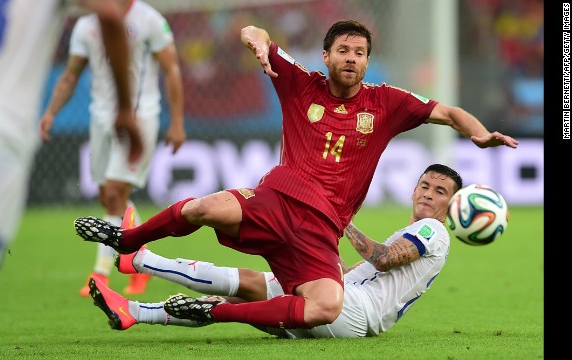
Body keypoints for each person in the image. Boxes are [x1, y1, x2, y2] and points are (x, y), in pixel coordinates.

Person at [73, 20, 518, 331]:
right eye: (343, 50)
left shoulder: (388, 103)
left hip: (322, 228)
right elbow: (254, 30)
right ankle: (127, 242)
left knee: (323, 305)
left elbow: (449, 111)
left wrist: (478, 134)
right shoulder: (299, 81)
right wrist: (257, 44)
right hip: (279, 197)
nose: (351, 59)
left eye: (360, 53)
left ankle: (178, 302)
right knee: (204, 207)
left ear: (367, 61)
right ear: (326, 55)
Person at [0, 0, 143, 358]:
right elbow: (108, 15)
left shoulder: (150, 22)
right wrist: (125, 109)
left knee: (113, 191)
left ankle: (121, 259)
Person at [86, 164, 461, 337]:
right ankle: (135, 310)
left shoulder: (433, 231)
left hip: (355, 312)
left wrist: (336, 220)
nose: (428, 193)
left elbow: (381, 258)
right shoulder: (419, 230)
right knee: (246, 292)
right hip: (351, 316)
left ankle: (142, 259)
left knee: (248, 286)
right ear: (413, 190)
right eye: (424, 185)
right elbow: (368, 272)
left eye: (439, 191)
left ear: (452, 204)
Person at [39, 0, 187, 297]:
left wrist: (177, 122)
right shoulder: (85, 25)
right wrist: (51, 112)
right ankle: (143, 262)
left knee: (117, 193)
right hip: (100, 119)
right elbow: (71, 74)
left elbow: (171, 69)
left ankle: (101, 274)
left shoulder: (150, 20)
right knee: (109, 197)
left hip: (140, 117)